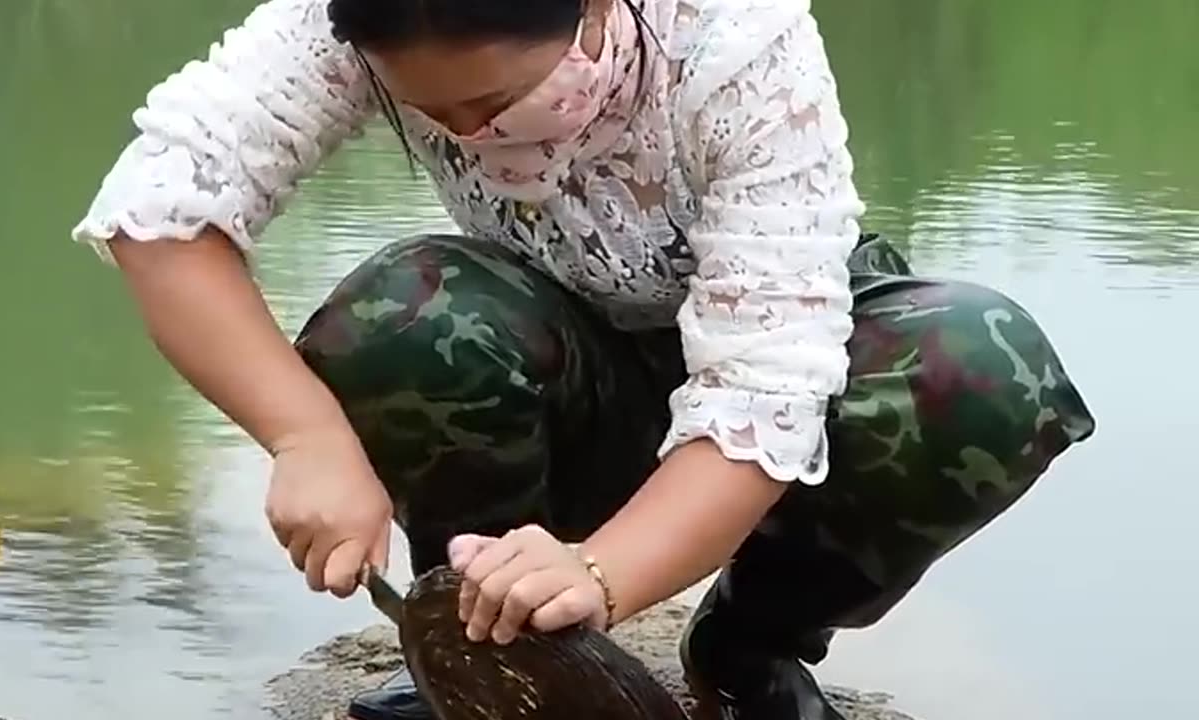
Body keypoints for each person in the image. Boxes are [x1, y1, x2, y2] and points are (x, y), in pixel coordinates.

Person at [71, 0, 1095, 717]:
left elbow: (760, 387)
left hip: (781, 364)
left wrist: (601, 576)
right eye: (431, 115)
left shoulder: (735, 39)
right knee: (404, 316)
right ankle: (484, 648)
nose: (468, 135)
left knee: (976, 367)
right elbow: (161, 211)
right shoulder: (340, 23)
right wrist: (305, 440)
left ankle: (747, 651)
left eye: (495, 104)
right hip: (562, 352)